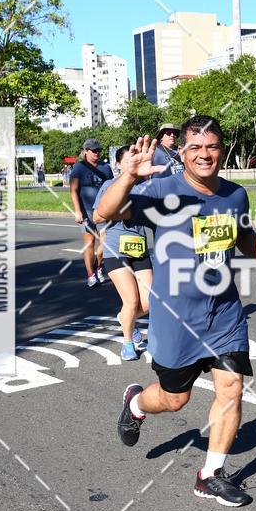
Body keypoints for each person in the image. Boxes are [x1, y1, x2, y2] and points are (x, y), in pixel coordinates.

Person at [96, 115, 256, 507]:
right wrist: (128, 177)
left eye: (212, 147)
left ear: (222, 150)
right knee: (173, 400)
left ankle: (210, 475)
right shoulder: (161, 188)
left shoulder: (235, 195)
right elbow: (105, 213)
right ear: (182, 152)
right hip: (176, 318)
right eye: (195, 148)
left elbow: (242, 234)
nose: (204, 155)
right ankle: (135, 403)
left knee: (232, 388)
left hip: (224, 314)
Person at [93, 146, 156, 362]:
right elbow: (96, 217)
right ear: (118, 165)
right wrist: (123, 212)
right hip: (114, 249)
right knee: (130, 301)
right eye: (129, 160)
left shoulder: (145, 187)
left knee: (147, 303)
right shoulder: (110, 186)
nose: (134, 162)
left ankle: (124, 318)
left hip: (139, 248)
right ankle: (128, 342)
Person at [70, 139, 113, 287]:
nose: (97, 153)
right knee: (89, 243)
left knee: (105, 243)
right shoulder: (79, 168)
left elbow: (112, 188)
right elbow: (73, 191)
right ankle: (90, 274)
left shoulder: (106, 168)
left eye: (98, 150)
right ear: (86, 151)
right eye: (94, 150)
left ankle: (99, 267)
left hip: (103, 211)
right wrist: (77, 211)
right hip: (86, 211)